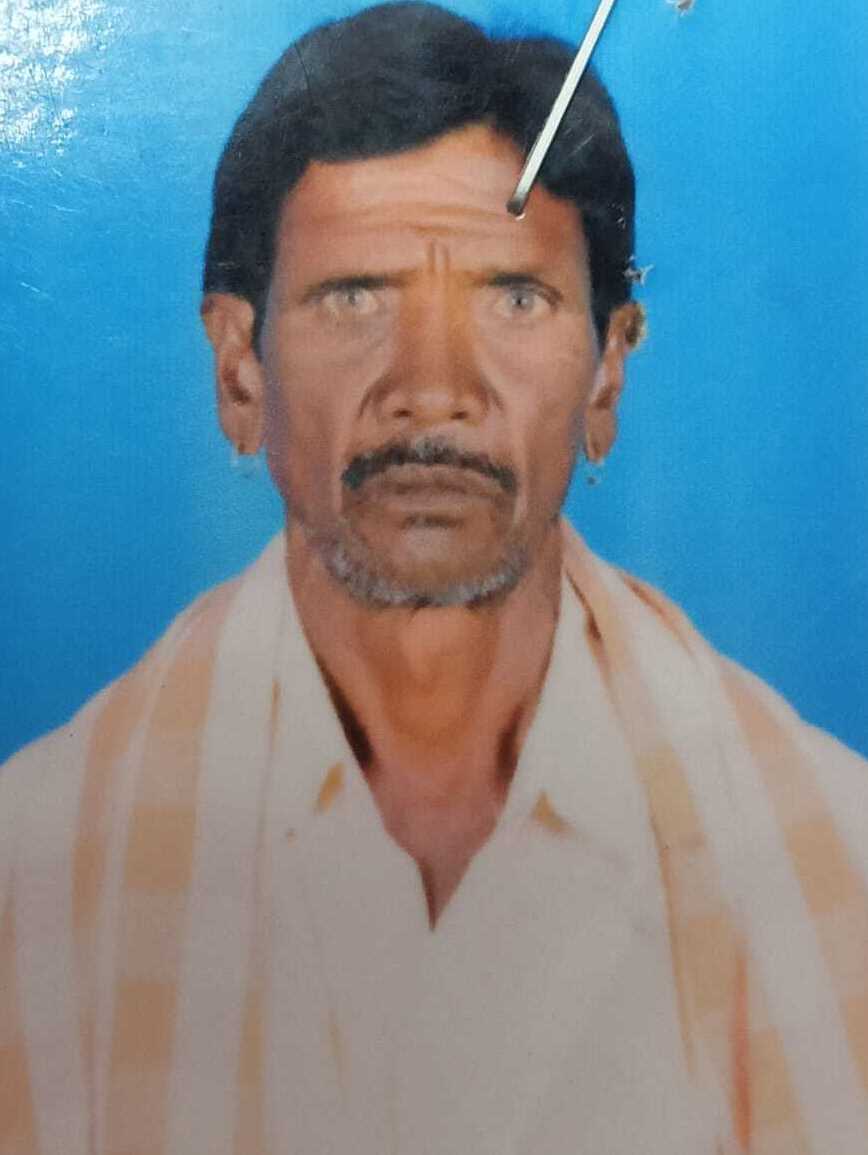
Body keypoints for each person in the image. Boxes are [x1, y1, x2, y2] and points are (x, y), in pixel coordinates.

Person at [2, 4, 867, 1152]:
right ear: (238, 369)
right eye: (354, 296)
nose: (433, 387)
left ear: (607, 376)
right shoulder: (33, 879)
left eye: (515, 299)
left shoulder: (832, 859)